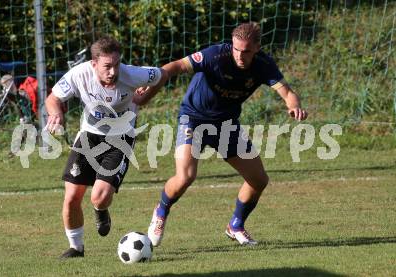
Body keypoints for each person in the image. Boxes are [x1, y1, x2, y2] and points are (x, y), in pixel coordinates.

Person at [138, 22, 308, 247]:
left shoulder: (264, 65)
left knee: (258, 180)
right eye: (236, 49)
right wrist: (150, 81)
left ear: (257, 47)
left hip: (226, 125)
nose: (239, 55)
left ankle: (235, 226)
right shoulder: (215, 55)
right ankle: (161, 211)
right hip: (194, 118)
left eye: (246, 51)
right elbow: (176, 66)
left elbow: (287, 92)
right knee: (185, 177)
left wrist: (294, 105)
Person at [45, 35, 166, 258]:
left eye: (116, 64)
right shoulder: (79, 74)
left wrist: (144, 97)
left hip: (121, 139)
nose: (113, 72)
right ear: (94, 64)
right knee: (71, 197)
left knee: (98, 198)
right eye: (107, 66)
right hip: (88, 137)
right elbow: (53, 98)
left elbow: (161, 74)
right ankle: (76, 248)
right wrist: (55, 113)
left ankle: (101, 210)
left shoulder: (132, 74)